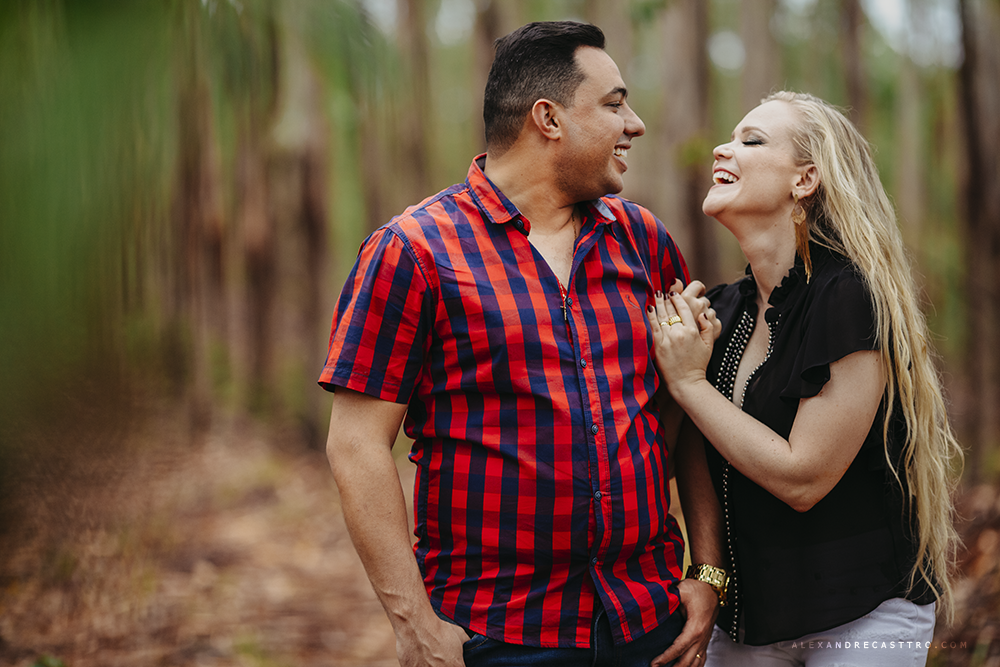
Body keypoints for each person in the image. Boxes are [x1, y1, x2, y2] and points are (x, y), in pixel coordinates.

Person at [320, 20, 727, 667]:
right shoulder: (414, 251)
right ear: (548, 118)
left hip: (648, 626)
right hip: (497, 633)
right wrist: (414, 623)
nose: (636, 124)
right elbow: (356, 443)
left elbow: (687, 410)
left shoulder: (644, 242)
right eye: (615, 104)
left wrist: (707, 575)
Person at [649, 91, 962, 666]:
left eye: (752, 140)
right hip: (747, 618)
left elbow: (804, 478)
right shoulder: (727, 310)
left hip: (861, 616)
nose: (724, 146)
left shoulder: (849, 296)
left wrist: (688, 382)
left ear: (805, 180)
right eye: (731, 135)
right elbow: (696, 441)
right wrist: (709, 576)